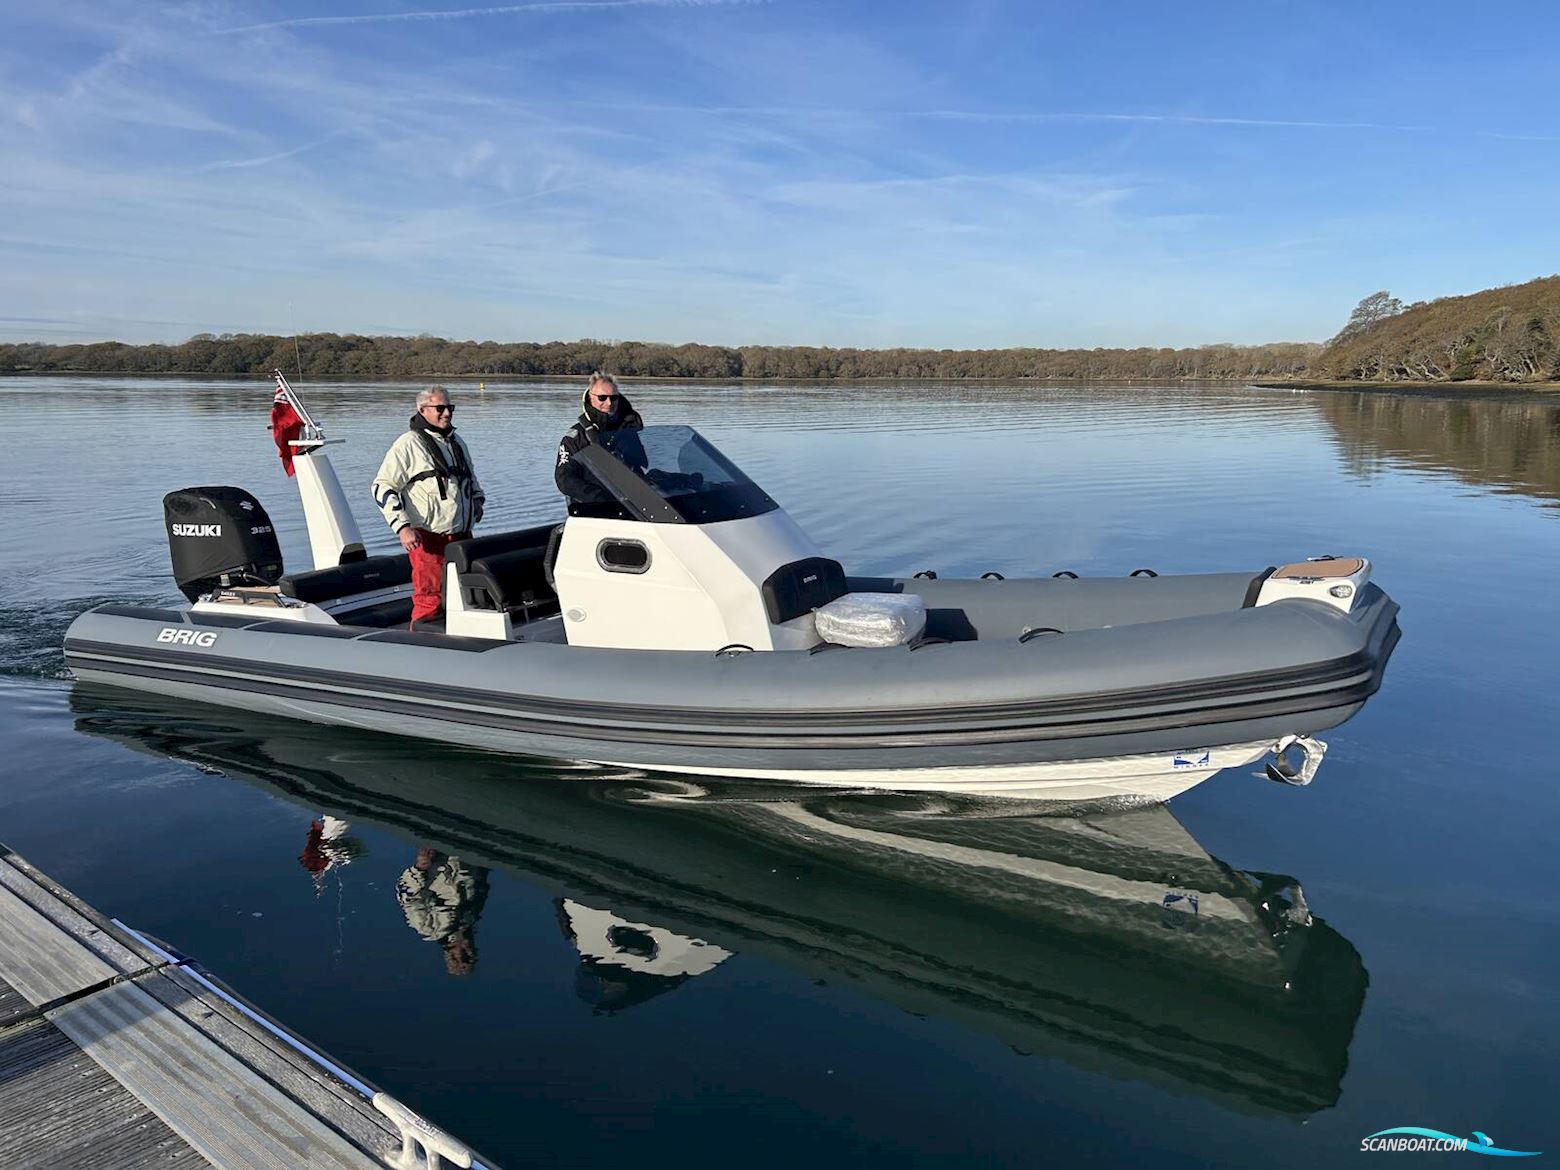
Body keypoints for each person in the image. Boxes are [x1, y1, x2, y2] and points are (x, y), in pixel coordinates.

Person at [372, 386, 484, 629]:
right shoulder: (408, 444)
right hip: (428, 538)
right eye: (440, 408)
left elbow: (469, 476)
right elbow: (382, 486)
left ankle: (461, 639)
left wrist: (477, 499)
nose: (447, 413)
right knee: (430, 598)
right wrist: (403, 527)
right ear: (422, 410)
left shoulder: (456, 442)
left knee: (466, 594)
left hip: (461, 536)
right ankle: (422, 642)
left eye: (450, 408)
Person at [554, 371, 644, 513]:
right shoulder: (575, 437)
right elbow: (564, 479)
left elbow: (641, 465)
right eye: (602, 398)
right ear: (591, 398)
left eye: (614, 398)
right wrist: (598, 498)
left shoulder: (627, 431)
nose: (609, 403)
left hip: (632, 507)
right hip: (592, 509)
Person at [395, 848, 491, 976]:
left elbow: (408, 898)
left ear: (449, 955)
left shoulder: (429, 928)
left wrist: (420, 867)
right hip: (471, 854)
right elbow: (481, 884)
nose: (467, 953)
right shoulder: (472, 918)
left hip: (441, 857)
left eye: (460, 958)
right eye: (470, 957)